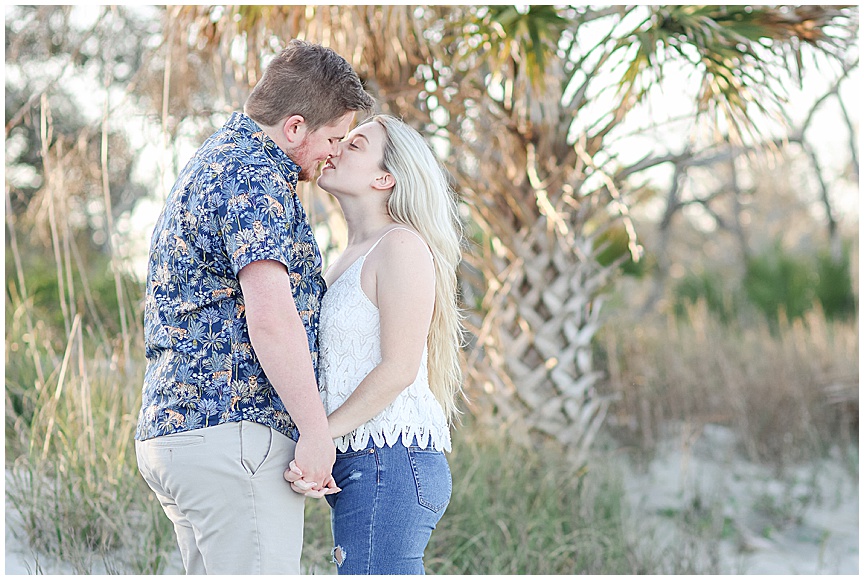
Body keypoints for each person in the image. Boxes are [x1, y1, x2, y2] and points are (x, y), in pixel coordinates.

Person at [134, 39, 374, 575]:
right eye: (333, 138)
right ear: (294, 128)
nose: (335, 152)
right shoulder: (254, 178)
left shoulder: (215, 160)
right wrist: (315, 432)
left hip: (183, 432)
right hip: (234, 438)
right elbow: (270, 316)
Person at [284, 114, 464, 575]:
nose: (338, 147)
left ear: (385, 178)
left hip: (390, 460)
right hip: (367, 462)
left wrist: (320, 435)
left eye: (357, 145)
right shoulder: (348, 255)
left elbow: (399, 367)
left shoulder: (400, 245)